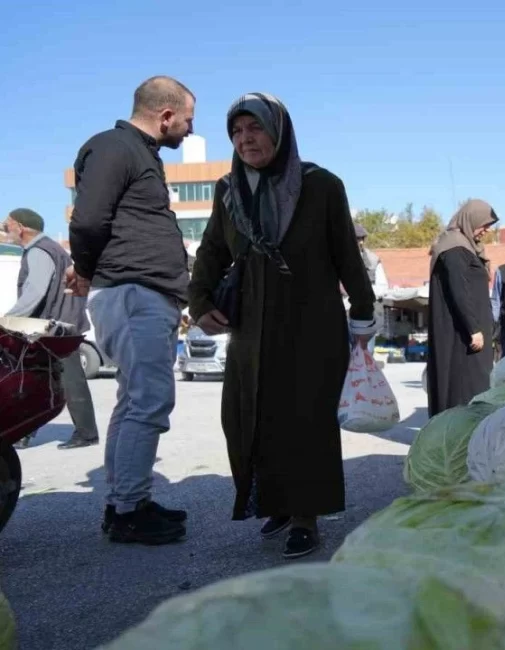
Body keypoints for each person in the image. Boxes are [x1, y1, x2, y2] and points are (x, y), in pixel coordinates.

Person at [188, 92, 377, 559]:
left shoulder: (321, 185)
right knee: (249, 418)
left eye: (255, 128)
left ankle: (306, 516)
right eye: (236, 131)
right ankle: (274, 500)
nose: (245, 139)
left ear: (278, 131)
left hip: (311, 325)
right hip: (252, 326)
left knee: (304, 421)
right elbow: (212, 250)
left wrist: (363, 311)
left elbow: (345, 256)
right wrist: (199, 301)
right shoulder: (228, 189)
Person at [68, 76, 194, 545]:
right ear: (165, 116)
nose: (188, 128)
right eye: (187, 119)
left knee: (133, 401)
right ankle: (128, 511)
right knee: (148, 402)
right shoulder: (116, 147)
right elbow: (87, 219)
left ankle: (126, 501)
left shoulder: (138, 153)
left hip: (142, 293)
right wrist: (83, 269)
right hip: (132, 292)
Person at [3, 208, 98, 450]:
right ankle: (24, 432)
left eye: (8, 225)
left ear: (20, 227)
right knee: (36, 377)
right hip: (59, 325)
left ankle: (86, 433)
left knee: (67, 378)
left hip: (54, 328)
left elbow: (36, 291)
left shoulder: (39, 251)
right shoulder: (51, 249)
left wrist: (8, 319)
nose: (5, 229)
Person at [426, 200, 498, 416]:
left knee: (475, 386)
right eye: (484, 224)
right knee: (465, 388)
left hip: (470, 333)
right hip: (463, 337)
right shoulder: (455, 248)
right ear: (471, 219)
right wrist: (473, 328)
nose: (486, 230)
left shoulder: (464, 246)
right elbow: (459, 289)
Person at [353, 223, 388, 355]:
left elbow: (383, 288)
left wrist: (362, 291)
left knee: (367, 354)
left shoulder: (373, 260)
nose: (360, 242)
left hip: (367, 317)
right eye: (357, 238)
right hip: (343, 315)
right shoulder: (337, 257)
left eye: (362, 238)